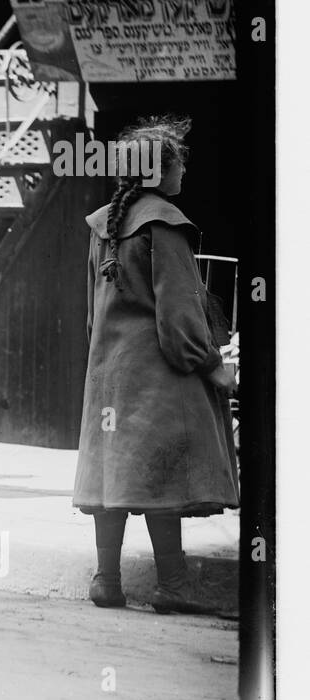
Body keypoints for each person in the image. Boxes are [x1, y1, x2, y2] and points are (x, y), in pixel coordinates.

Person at [74, 115, 238, 614]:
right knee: (160, 477)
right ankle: (174, 586)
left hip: (108, 374)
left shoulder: (104, 225)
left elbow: (91, 315)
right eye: (180, 163)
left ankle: (107, 580)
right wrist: (212, 365)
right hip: (157, 374)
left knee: (114, 476)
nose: (185, 173)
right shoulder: (164, 224)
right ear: (160, 172)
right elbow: (180, 316)